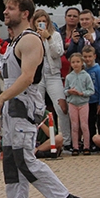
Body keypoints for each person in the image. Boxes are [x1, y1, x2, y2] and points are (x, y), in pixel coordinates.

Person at [0, 0, 82, 198]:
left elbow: (27, 78)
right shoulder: (14, 41)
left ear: (25, 13)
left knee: (24, 159)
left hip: (24, 106)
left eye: (11, 8)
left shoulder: (30, 40)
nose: (5, 12)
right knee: (11, 161)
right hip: (12, 106)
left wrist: (1, 98)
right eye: (6, 7)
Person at [32, 9, 70, 151]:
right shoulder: (31, 36)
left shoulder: (55, 35)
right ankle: (39, 140)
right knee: (38, 108)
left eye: (44, 21)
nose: (41, 24)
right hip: (37, 76)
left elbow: (58, 53)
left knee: (61, 108)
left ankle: (66, 141)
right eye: (38, 21)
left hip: (53, 74)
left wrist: (48, 38)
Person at [66, 9, 100, 76]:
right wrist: (74, 43)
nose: (84, 22)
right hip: (81, 75)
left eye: (87, 19)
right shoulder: (77, 36)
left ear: (92, 19)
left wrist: (93, 42)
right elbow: (69, 56)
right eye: (82, 20)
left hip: (98, 74)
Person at [65, 52, 93, 155]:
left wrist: (82, 93)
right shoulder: (69, 77)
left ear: (82, 63)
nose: (75, 64)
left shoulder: (86, 76)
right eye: (73, 62)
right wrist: (69, 92)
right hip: (72, 103)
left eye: (77, 62)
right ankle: (75, 147)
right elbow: (65, 90)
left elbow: (91, 90)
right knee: (74, 125)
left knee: (84, 125)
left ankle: (86, 146)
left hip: (83, 103)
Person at [82, 45, 100, 142]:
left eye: (89, 56)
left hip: (96, 100)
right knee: (89, 122)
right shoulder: (83, 70)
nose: (87, 59)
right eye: (85, 56)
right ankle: (90, 141)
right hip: (86, 101)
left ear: (94, 56)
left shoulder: (98, 70)